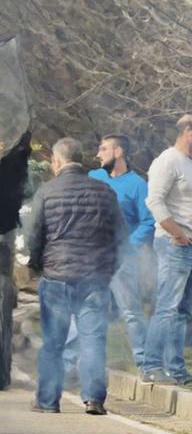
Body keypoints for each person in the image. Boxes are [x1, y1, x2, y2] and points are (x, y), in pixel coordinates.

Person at [25, 138, 126, 415]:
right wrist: (108, 269)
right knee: (93, 341)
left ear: (56, 162)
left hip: (56, 277)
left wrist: (36, 266)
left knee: (53, 343)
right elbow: (120, 236)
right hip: (94, 279)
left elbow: (34, 236)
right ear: (82, 160)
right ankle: (94, 399)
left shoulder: (46, 191)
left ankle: (47, 402)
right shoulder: (105, 192)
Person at [63, 134, 154, 374]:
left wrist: (127, 246)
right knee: (83, 309)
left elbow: (149, 221)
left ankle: (145, 365)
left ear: (119, 152)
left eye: (104, 149)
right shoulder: (93, 178)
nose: (97, 154)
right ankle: (67, 365)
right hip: (91, 259)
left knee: (131, 312)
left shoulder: (137, 185)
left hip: (122, 262)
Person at [141, 115, 192, 386]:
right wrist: (178, 234)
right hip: (173, 244)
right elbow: (154, 201)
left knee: (182, 311)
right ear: (187, 131)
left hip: (188, 245)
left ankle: (177, 371)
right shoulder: (167, 160)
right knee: (167, 308)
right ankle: (151, 366)